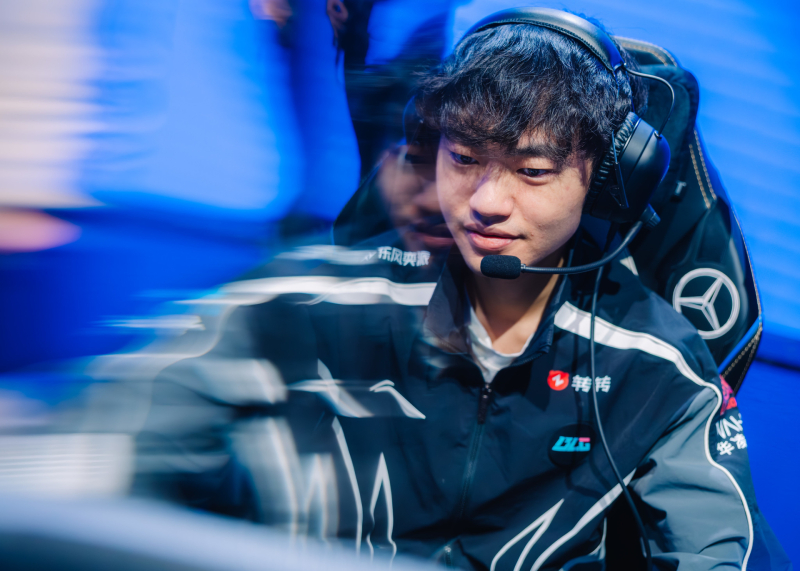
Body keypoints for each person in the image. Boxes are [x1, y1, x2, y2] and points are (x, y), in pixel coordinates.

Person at [123, 7, 790, 571]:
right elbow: (133, 436)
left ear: (606, 179)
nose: (486, 202)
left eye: (532, 170)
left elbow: (718, 548)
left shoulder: (657, 364)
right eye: (464, 158)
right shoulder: (327, 301)